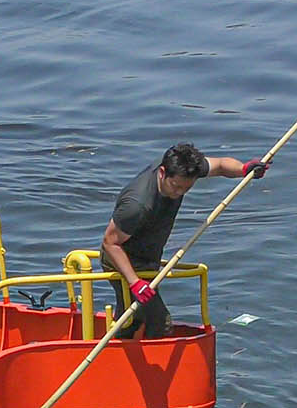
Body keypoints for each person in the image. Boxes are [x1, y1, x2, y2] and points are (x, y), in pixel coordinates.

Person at [100, 143, 268, 340]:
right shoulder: (137, 205)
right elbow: (110, 242)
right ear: (162, 173)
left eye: (186, 188)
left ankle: (121, 349)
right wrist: (134, 282)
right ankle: (141, 363)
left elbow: (221, 165)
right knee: (159, 322)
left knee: (134, 319)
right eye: (176, 186)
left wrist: (244, 169)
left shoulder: (183, 168)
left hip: (148, 257)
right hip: (124, 262)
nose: (179, 193)